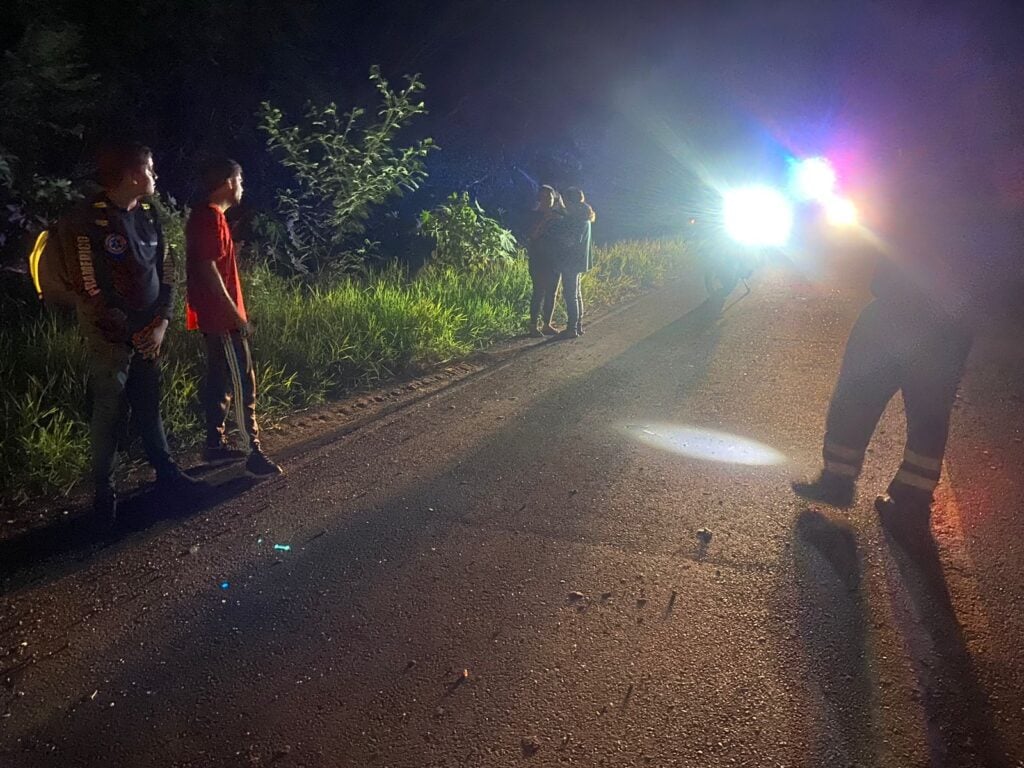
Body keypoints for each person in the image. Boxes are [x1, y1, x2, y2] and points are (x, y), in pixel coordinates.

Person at [61, 143, 205, 524]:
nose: (156, 175)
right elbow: (89, 287)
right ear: (132, 175)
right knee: (109, 408)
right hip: (110, 336)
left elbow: (170, 269)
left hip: (149, 332)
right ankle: (104, 493)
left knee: (149, 400)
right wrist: (130, 333)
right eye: (151, 169)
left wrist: (161, 324)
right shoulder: (86, 221)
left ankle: (167, 473)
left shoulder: (148, 215)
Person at [185, 158, 282, 476]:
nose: (243, 186)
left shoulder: (209, 217)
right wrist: (235, 316)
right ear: (228, 182)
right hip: (223, 320)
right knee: (243, 381)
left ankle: (214, 444)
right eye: (240, 180)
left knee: (221, 380)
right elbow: (208, 270)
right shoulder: (210, 218)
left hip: (217, 319)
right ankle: (252, 452)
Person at [552, 187, 595, 338]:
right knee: (576, 294)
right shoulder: (585, 216)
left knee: (571, 294)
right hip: (579, 260)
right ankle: (578, 325)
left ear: (570, 201)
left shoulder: (575, 219)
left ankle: (572, 328)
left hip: (570, 261)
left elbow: (570, 241)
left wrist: (557, 237)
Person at [525, 185, 563, 337]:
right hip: (538, 260)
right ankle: (533, 325)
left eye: (549, 197)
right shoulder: (533, 215)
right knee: (538, 292)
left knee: (552, 293)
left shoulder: (559, 216)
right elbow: (532, 236)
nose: (546, 200)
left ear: (554, 198)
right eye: (543, 197)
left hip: (554, 260)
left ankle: (547, 324)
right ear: (539, 199)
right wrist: (545, 221)